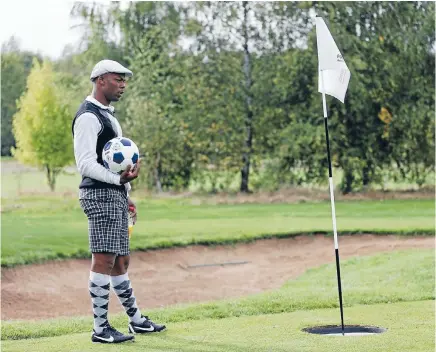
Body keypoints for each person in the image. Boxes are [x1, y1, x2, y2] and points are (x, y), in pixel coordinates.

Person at [72, 59, 166, 344]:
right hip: (99, 195)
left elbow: (113, 168)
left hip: (114, 195)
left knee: (121, 262)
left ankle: (136, 320)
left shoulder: (107, 116)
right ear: (100, 80)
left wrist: (125, 196)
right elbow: (85, 164)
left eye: (125, 80)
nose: (123, 84)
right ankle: (101, 330)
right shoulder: (88, 116)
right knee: (103, 259)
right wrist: (118, 183)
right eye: (118, 79)